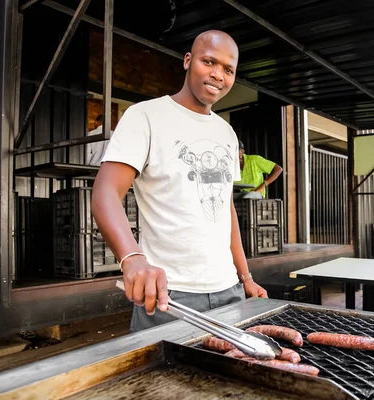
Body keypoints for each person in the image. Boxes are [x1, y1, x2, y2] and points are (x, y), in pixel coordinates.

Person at [91, 30, 268, 332]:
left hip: (230, 293)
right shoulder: (145, 116)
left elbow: (226, 210)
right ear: (188, 61)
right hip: (169, 297)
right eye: (208, 61)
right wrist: (132, 259)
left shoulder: (226, 133)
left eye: (228, 69)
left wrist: (245, 277)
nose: (218, 75)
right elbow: (105, 192)